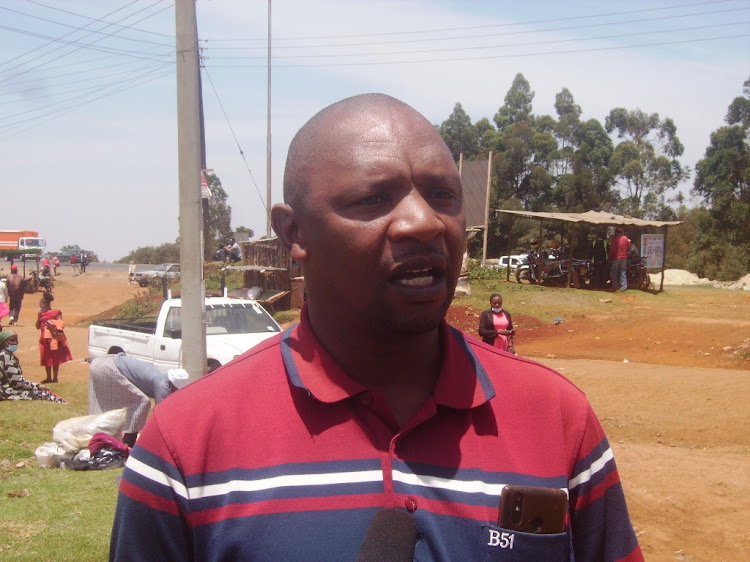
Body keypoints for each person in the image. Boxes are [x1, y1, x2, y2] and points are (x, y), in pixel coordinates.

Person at [110, 94, 642, 560]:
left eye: (442, 196)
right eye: (373, 199)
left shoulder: (556, 419)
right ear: (294, 232)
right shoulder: (186, 445)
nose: (424, 222)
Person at [88, 353, 190, 447]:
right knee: (142, 402)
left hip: (102, 362)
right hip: (108, 367)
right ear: (174, 385)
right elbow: (162, 414)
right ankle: (129, 438)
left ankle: (122, 434)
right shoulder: (162, 384)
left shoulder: (160, 377)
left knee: (128, 401)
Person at [0, 329, 67, 403]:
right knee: (45, 395)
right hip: (6, 392)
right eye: (12, 340)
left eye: (16, 340)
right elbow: (17, 383)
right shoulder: (5, 357)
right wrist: (37, 386)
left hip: (6, 389)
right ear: (3, 343)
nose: (15, 342)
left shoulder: (5, 354)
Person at [35, 294, 72, 383]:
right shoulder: (41, 314)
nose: (40, 306)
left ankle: (55, 378)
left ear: (44, 304)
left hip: (54, 339)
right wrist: (38, 316)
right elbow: (37, 326)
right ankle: (48, 378)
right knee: (46, 358)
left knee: (55, 358)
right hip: (44, 339)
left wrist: (52, 324)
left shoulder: (56, 312)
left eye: (40, 304)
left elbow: (61, 323)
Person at [608, 227, 631, 292]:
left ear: (616, 232)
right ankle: (623, 286)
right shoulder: (626, 238)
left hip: (616, 257)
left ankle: (616, 286)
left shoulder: (615, 239)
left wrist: (609, 257)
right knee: (623, 271)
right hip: (624, 257)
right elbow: (629, 246)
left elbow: (612, 250)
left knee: (615, 272)